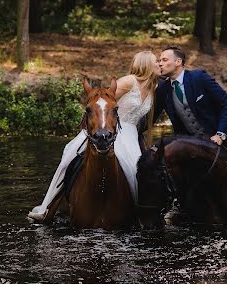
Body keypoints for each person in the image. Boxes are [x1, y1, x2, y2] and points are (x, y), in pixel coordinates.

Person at [28, 51, 160, 219]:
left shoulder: (153, 87)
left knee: (137, 171)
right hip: (111, 128)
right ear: (147, 64)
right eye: (157, 61)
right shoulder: (128, 82)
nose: (160, 64)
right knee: (68, 157)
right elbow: (101, 102)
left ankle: (137, 214)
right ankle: (47, 208)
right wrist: (95, 126)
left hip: (131, 135)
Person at [154, 46, 227, 219]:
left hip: (225, 136)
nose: (160, 64)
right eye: (159, 60)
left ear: (178, 62)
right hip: (191, 144)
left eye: (164, 60)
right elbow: (152, 117)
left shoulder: (199, 77)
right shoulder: (163, 90)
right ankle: (180, 208)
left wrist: (221, 133)